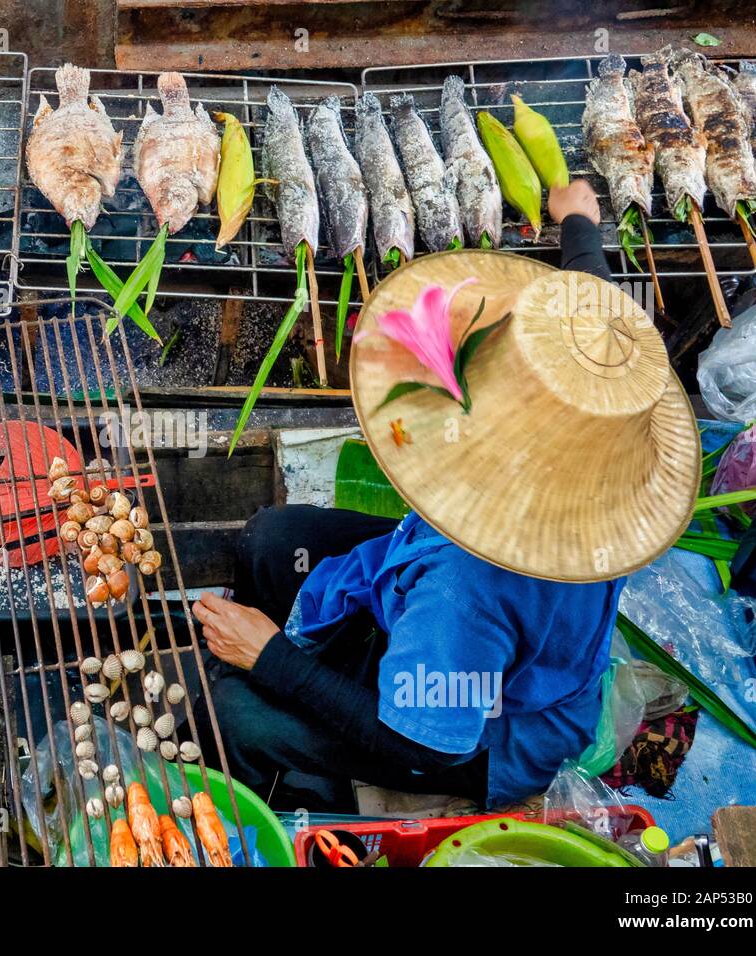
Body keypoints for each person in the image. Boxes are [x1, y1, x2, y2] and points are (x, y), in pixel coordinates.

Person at [191, 180, 701, 810]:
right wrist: (578, 225)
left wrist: (271, 661)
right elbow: (588, 323)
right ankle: (280, 646)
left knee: (236, 714)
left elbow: (424, 745)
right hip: (453, 602)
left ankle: (292, 780)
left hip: (473, 733)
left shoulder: (467, 593)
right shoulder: (607, 413)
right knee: (274, 540)